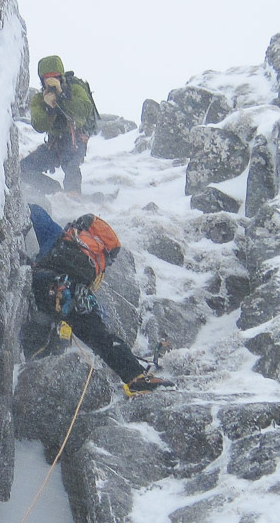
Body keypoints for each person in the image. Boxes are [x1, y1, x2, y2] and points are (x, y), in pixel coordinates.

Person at [28, 203, 172, 396]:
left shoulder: (57, 237)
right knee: (102, 338)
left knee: (41, 328)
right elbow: (101, 335)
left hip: (37, 284)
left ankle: (28, 365)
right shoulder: (84, 273)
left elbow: (35, 211)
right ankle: (136, 377)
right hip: (67, 295)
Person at [21, 54, 99, 195]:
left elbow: (85, 109)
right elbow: (39, 125)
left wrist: (63, 98)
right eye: (47, 78)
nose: (51, 82)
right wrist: (49, 109)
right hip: (55, 143)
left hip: (75, 139)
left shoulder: (75, 89)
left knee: (70, 164)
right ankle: (54, 191)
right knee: (23, 169)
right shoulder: (40, 99)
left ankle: (73, 197)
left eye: (55, 77)